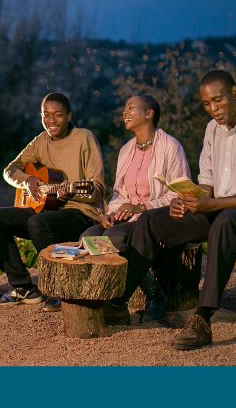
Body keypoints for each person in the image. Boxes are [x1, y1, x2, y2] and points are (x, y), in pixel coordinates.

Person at [114, 70, 236, 350]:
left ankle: (202, 318)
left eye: (218, 100)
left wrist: (213, 204)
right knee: (153, 220)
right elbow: (207, 186)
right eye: (206, 104)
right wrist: (185, 199)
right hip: (224, 207)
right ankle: (117, 303)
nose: (212, 109)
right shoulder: (213, 129)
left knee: (225, 221)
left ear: (234, 94)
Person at [0, 92, 105, 311]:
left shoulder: (84, 137)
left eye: (57, 115)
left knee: (39, 222)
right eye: (45, 115)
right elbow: (10, 170)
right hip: (48, 209)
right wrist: (29, 180)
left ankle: (59, 288)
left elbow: (97, 190)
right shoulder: (40, 141)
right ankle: (22, 287)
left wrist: (72, 193)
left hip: (82, 213)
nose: (51, 121)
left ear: (69, 115)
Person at [80, 94, 191, 322]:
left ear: (149, 113)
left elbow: (180, 193)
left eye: (131, 108)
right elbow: (119, 193)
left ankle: (146, 296)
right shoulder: (126, 150)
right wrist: (111, 213)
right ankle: (143, 290)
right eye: (124, 109)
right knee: (87, 237)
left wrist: (140, 207)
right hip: (126, 219)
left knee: (113, 238)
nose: (125, 113)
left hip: (154, 219)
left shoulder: (171, 146)